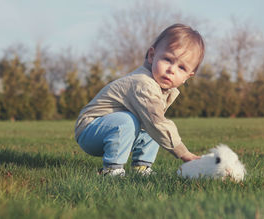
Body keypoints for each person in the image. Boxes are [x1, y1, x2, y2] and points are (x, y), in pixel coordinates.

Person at [75, 24, 205, 176]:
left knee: (151, 124)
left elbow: (154, 124)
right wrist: (184, 153)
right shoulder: (144, 84)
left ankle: (141, 168)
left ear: (188, 76)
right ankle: (111, 170)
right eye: (168, 59)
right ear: (151, 56)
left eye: (181, 68)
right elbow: (157, 123)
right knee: (148, 122)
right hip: (91, 129)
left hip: (113, 130)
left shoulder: (161, 88)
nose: (171, 70)